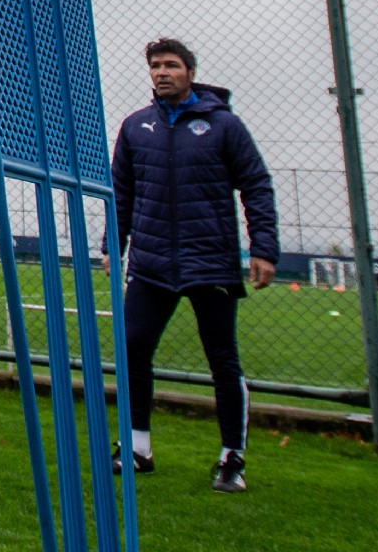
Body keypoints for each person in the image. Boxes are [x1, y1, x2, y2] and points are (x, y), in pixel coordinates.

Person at [105, 38, 278, 494]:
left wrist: (264, 248)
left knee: (222, 358)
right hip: (151, 263)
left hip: (211, 263)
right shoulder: (136, 126)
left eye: (172, 66)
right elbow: (120, 194)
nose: (162, 73)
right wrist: (113, 245)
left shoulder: (224, 126)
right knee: (133, 348)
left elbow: (256, 185)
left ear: (190, 72)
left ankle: (231, 457)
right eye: (156, 66)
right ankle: (138, 447)